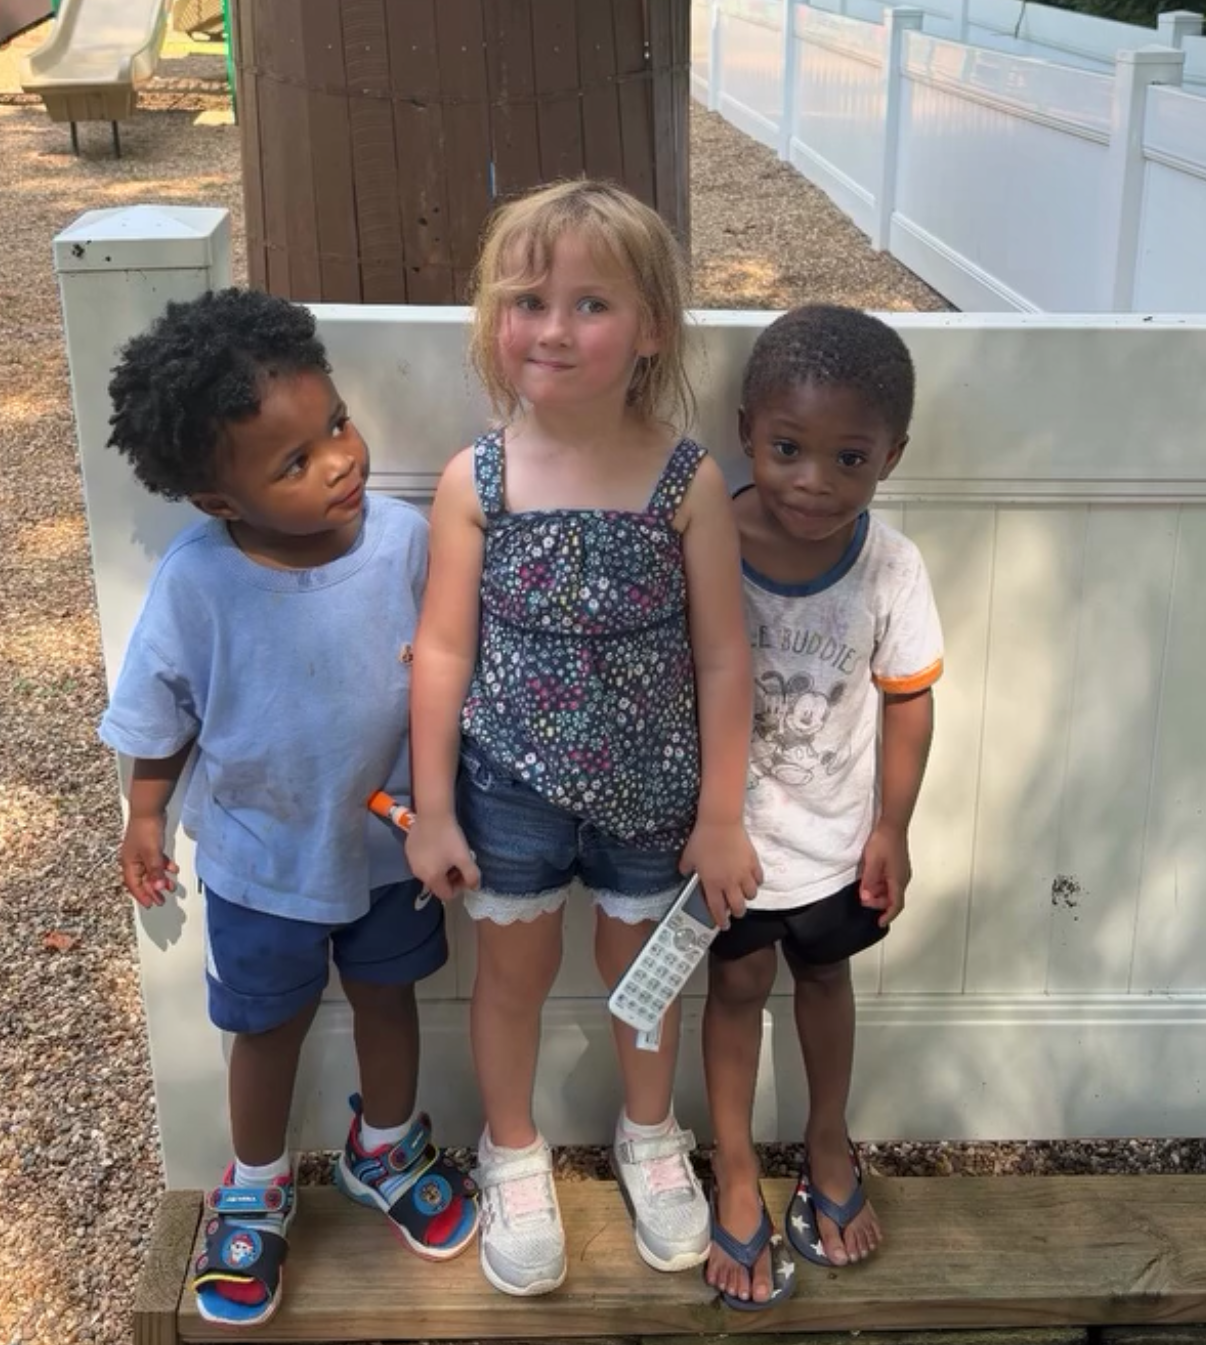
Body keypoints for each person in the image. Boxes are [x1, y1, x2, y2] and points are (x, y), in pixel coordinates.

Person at [405, 180, 761, 1297]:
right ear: (493, 319)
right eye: (527, 300)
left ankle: (650, 1134)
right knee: (510, 974)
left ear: (651, 327)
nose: (552, 329)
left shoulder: (686, 481)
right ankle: (513, 1148)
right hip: (508, 785)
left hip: (657, 792)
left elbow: (722, 659)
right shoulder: (479, 481)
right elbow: (443, 654)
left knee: (641, 973)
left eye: (590, 304)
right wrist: (435, 808)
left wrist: (719, 814)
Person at [99, 290, 478, 1328]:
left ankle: (385, 1149)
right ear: (221, 501)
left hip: (390, 851)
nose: (341, 461)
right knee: (264, 1027)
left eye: (338, 425)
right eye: (294, 462)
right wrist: (144, 815)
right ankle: (257, 1184)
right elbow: (160, 710)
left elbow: (449, 671)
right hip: (261, 861)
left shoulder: (403, 544)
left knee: (388, 999)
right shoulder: (197, 583)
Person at [703, 305, 942, 1309]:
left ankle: (829, 1140)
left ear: (892, 454)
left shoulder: (889, 564)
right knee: (735, 990)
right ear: (749, 425)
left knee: (825, 983)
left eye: (849, 457)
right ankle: (734, 1164)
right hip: (728, 849)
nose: (814, 479)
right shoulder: (704, 535)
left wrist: (892, 823)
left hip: (839, 844)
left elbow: (909, 698)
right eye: (789, 448)